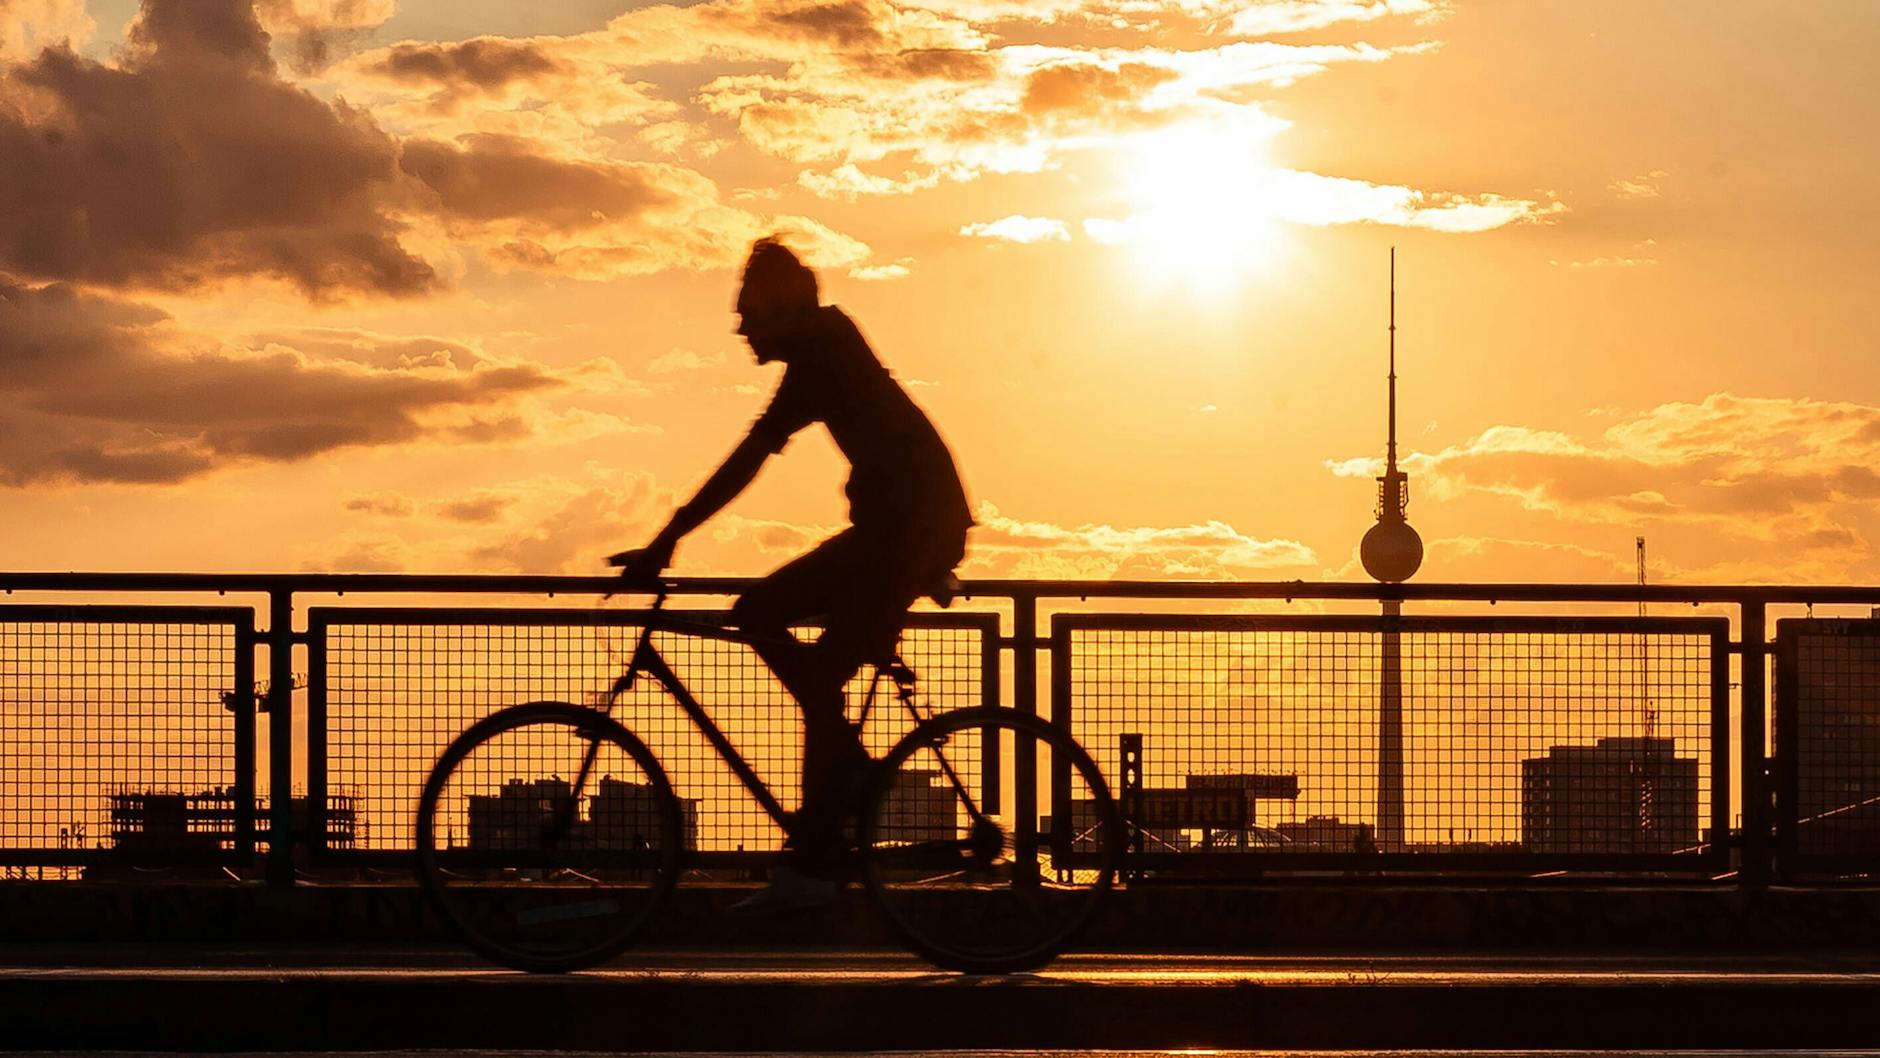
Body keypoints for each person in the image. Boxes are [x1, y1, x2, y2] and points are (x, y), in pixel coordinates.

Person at [612, 237, 973, 912]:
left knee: (795, 653)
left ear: (781, 309)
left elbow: (749, 456)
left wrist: (667, 540)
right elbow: (752, 453)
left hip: (909, 534)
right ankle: (827, 834)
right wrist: (668, 538)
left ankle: (830, 833)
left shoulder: (822, 349)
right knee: (787, 648)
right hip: (899, 531)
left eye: (748, 311)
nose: (740, 326)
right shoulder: (820, 349)